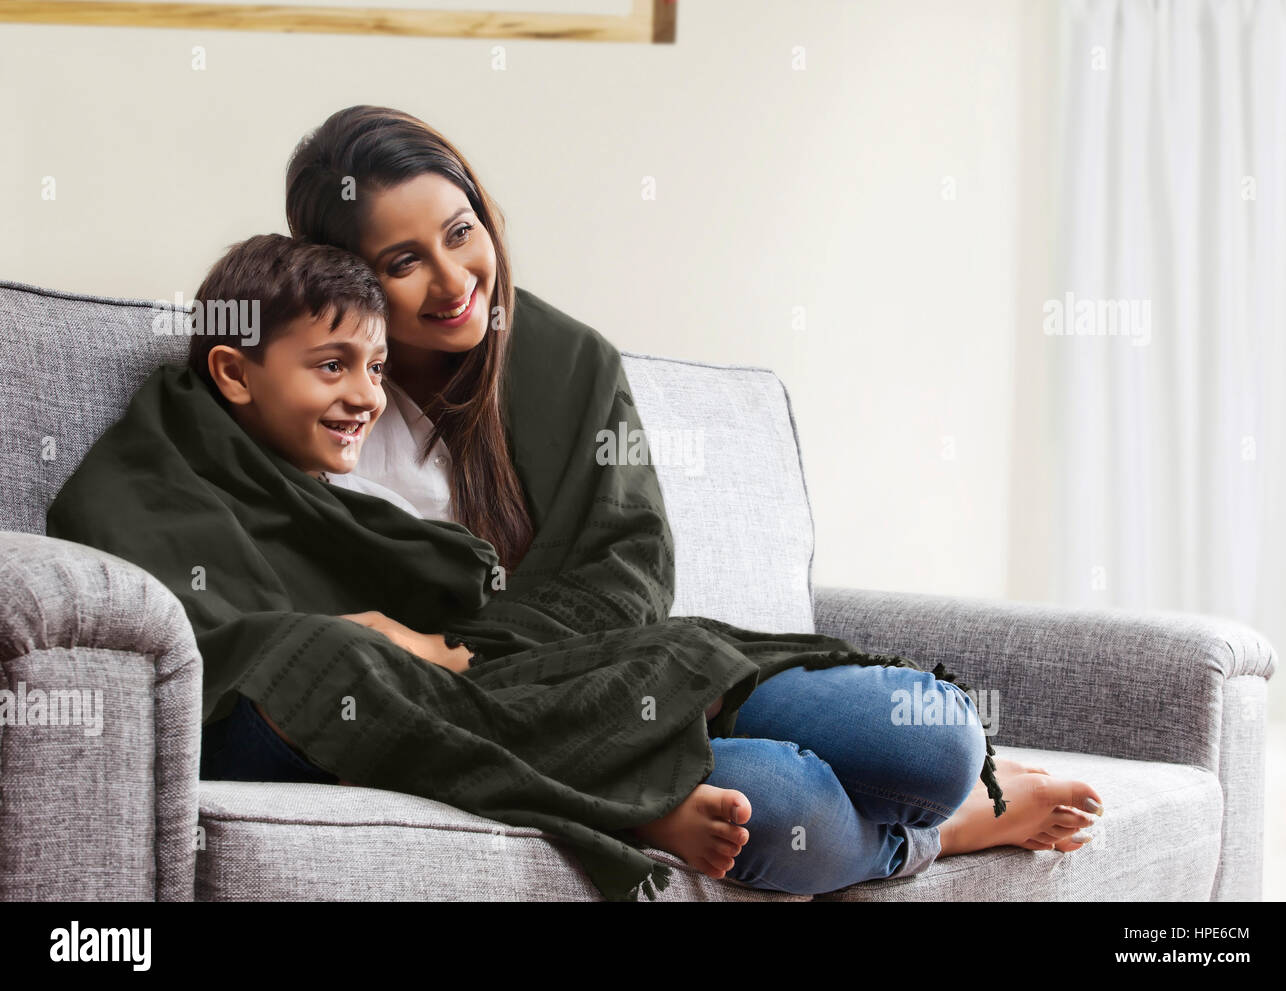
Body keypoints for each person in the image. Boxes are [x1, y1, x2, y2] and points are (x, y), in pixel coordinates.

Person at [268, 105, 1106, 892]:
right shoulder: (307, 407)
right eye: (403, 261)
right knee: (776, 813)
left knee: (932, 736)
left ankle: (940, 799)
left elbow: (628, 575)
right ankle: (944, 834)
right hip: (541, 733)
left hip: (657, 673)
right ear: (352, 280)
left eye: (462, 232)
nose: (455, 280)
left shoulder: (565, 362)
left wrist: (450, 645)